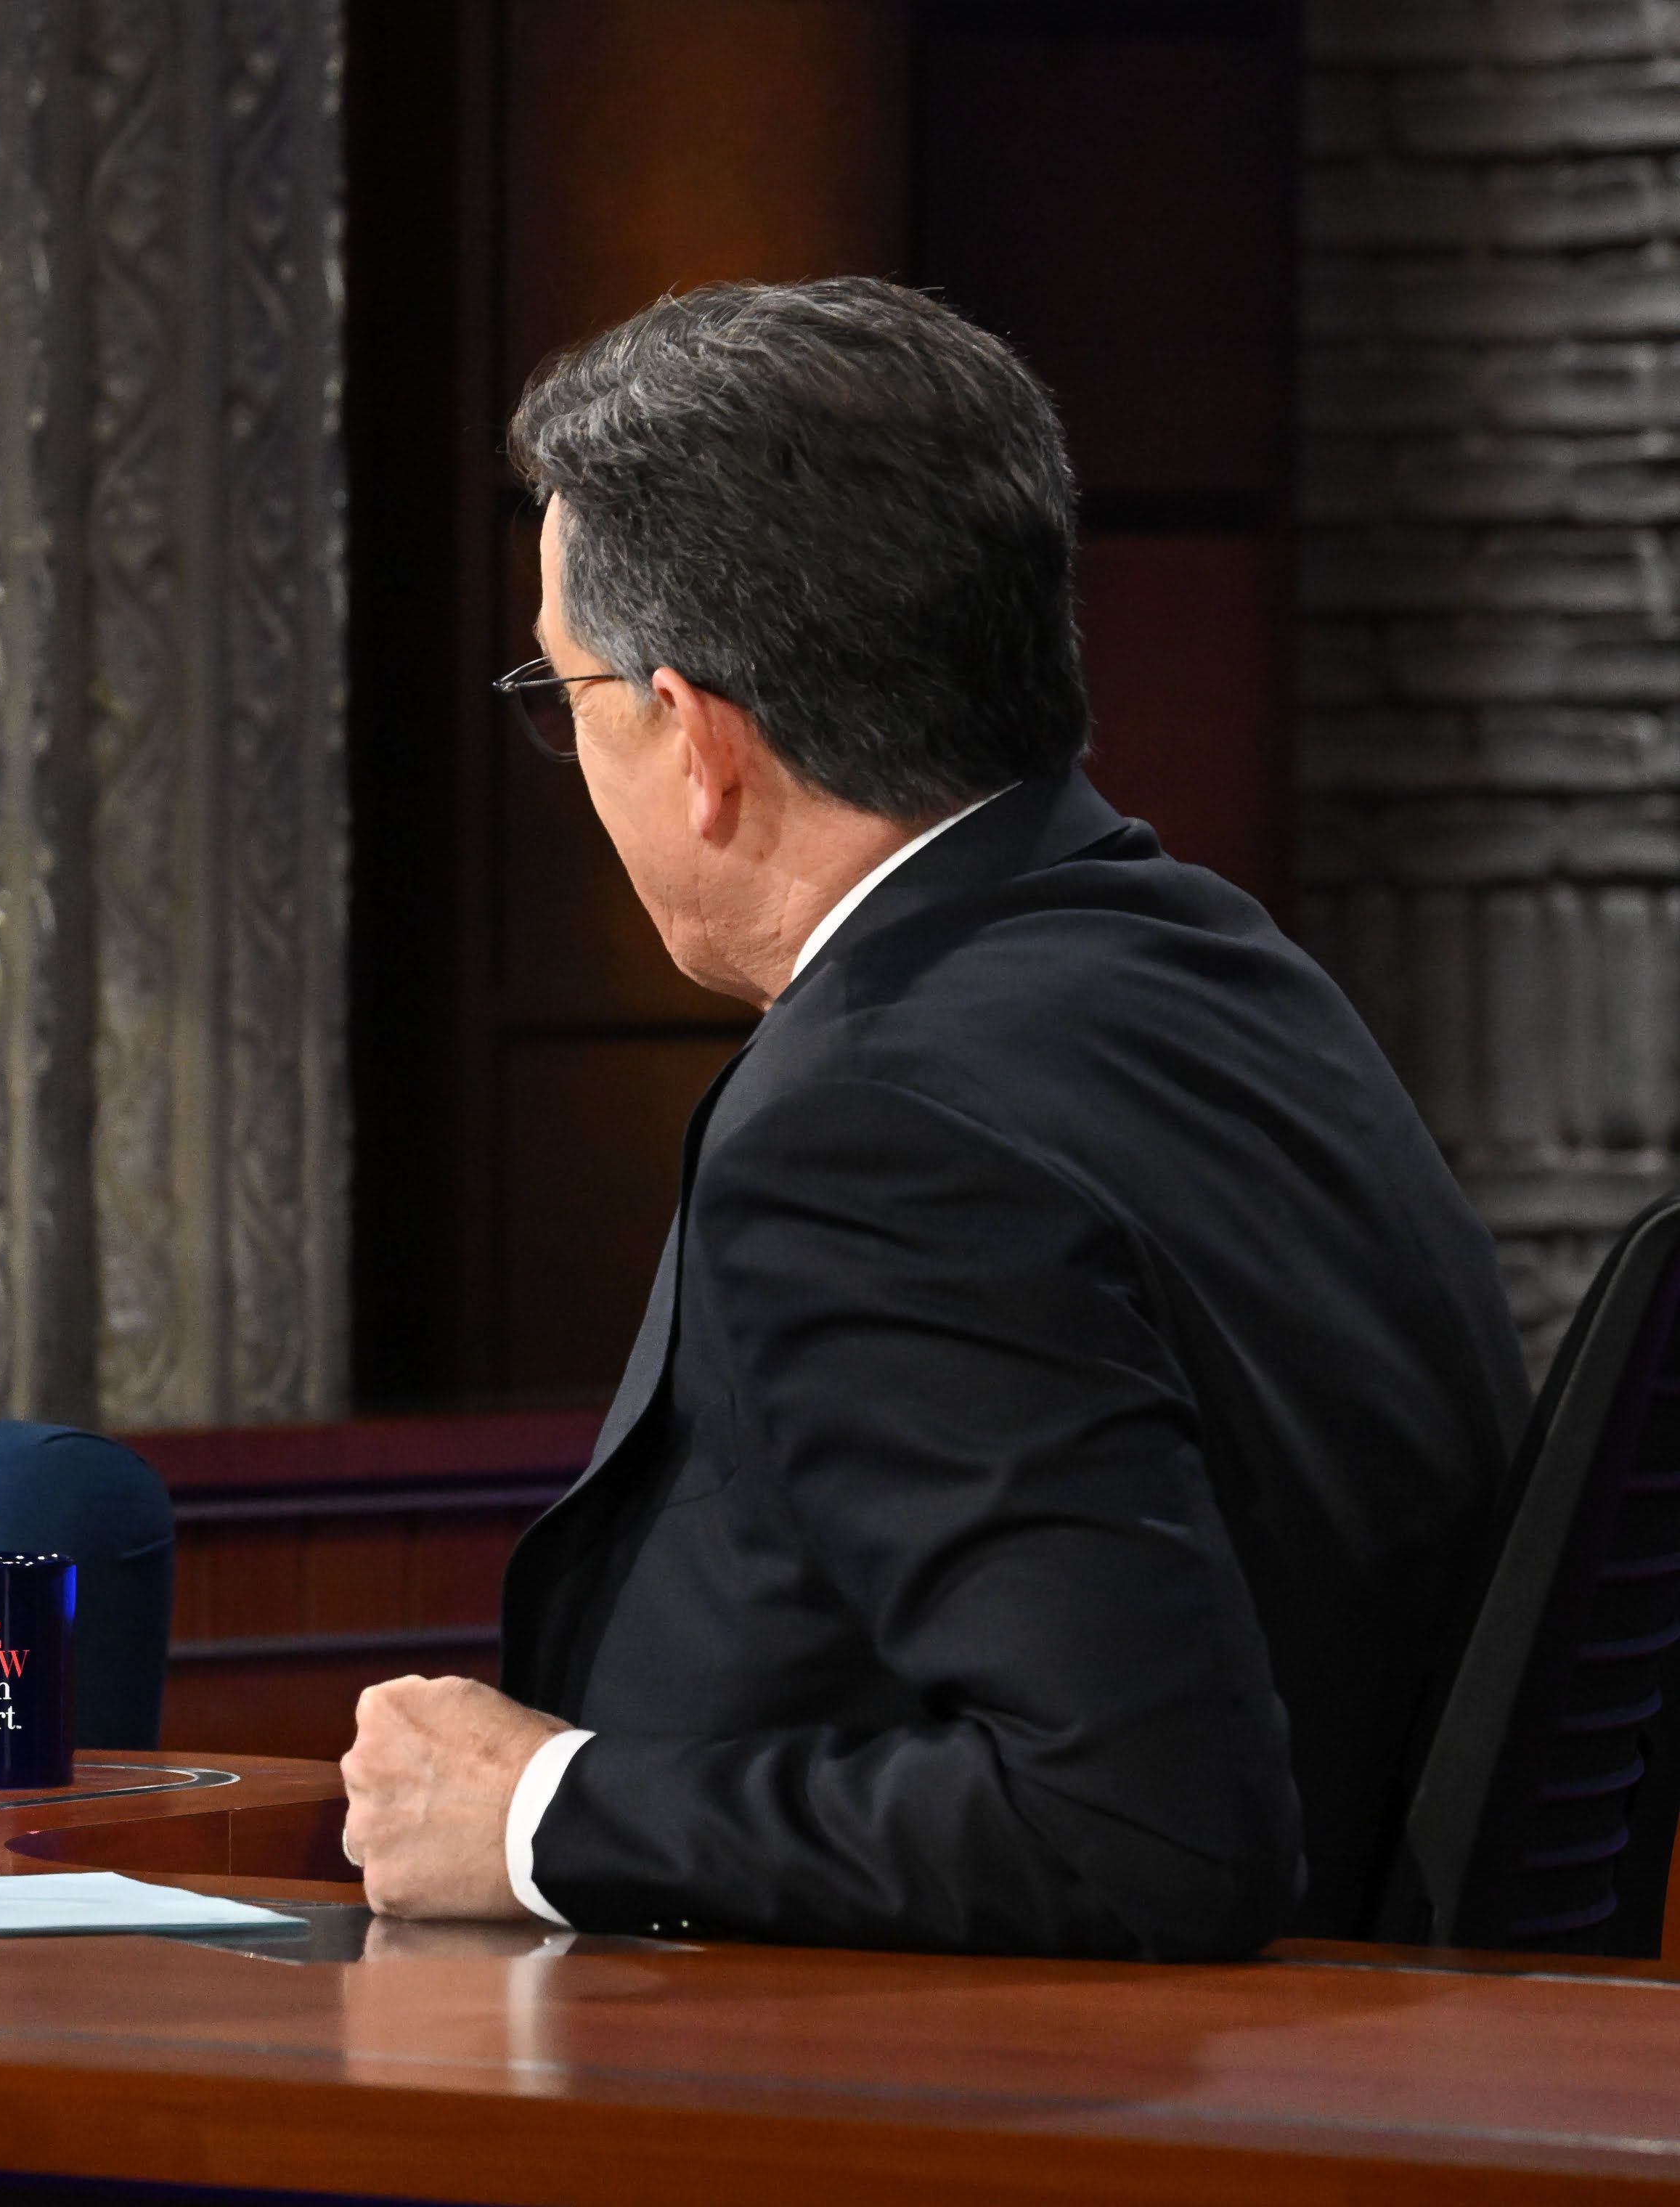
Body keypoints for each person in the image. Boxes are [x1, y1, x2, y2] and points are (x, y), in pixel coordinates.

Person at [338, 280, 1527, 1962]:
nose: (569, 744)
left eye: (567, 690)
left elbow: (1137, 1828)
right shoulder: (1218, 963)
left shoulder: (872, 1133)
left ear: (698, 740)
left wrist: (539, 1811)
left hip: (1010, 2094)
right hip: (1389, 2033)